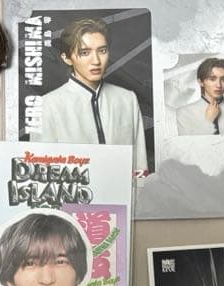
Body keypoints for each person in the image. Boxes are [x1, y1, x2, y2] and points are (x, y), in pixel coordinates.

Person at [38, 18, 148, 173]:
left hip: (123, 187)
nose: (96, 61)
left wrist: (140, 187)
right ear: (67, 58)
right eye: (85, 53)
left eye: (102, 51)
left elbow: (140, 165)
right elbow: (42, 170)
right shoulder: (48, 105)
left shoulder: (127, 98)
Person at [176, 57, 224, 136]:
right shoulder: (184, 113)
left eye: (223, 79)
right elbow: (189, 144)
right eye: (212, 79)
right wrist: (208, 122)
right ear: (201, 82)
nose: (219, 85)